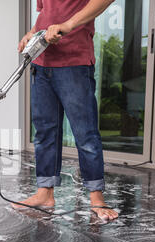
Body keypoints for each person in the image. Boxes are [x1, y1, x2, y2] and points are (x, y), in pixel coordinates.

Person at [15, 0, 119, 221]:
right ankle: (45, 193)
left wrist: (69, 24)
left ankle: (96, 198)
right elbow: (46, 13)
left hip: (74, 62)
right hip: (41, 63)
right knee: (44, 132)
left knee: (85, 133)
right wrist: (31, 33)